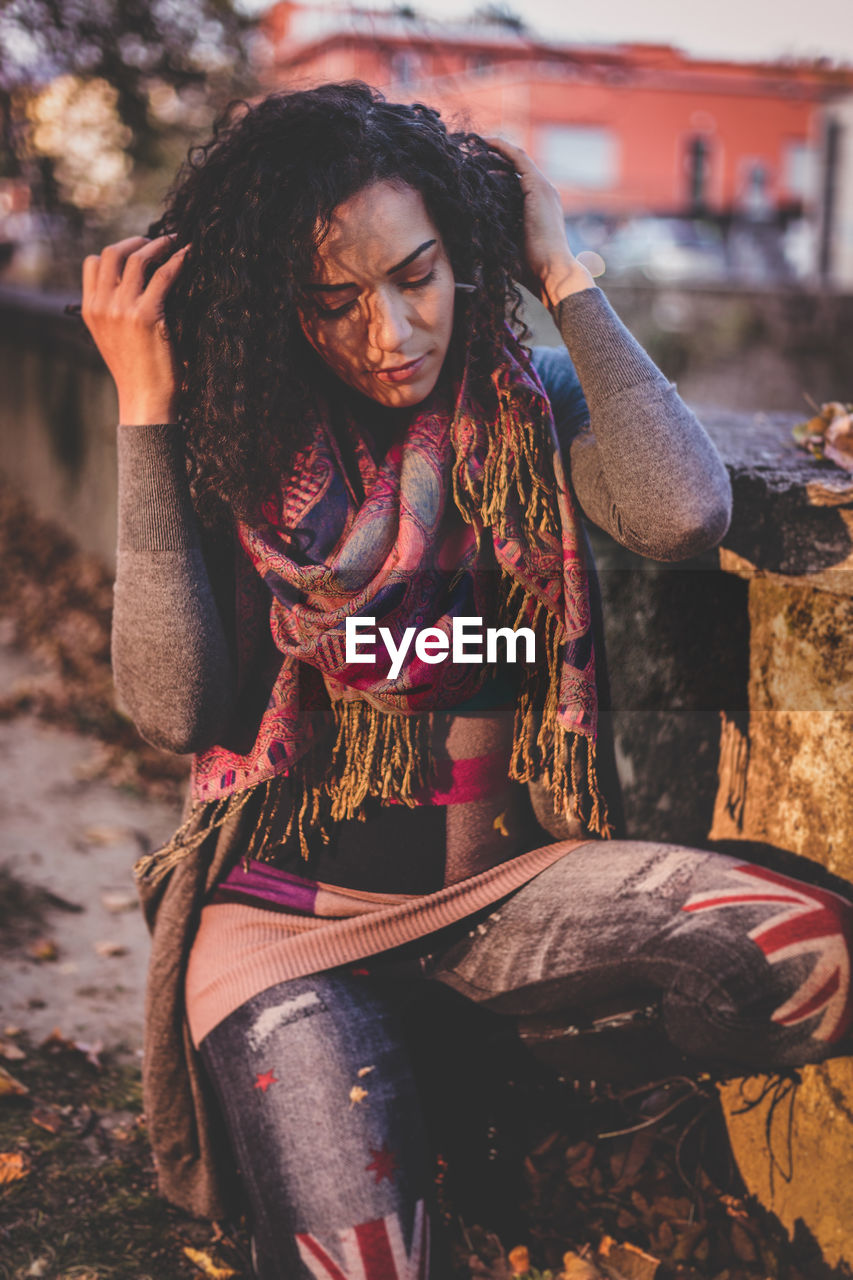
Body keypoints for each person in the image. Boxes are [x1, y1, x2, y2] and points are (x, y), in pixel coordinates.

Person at [81, 83, 853, 1279]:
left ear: (463, 252)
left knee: (812, 952)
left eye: (420, 274)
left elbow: (683, 509)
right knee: (369, 1262)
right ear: (276, 309)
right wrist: (145, 409)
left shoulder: (525, 403)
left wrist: (559, 266)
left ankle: (491, 1085)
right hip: (289, 930)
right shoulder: (226, 444)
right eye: (335, 301)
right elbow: (171, 707)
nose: (391, 333)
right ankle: (381, 1098)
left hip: (503, 900)